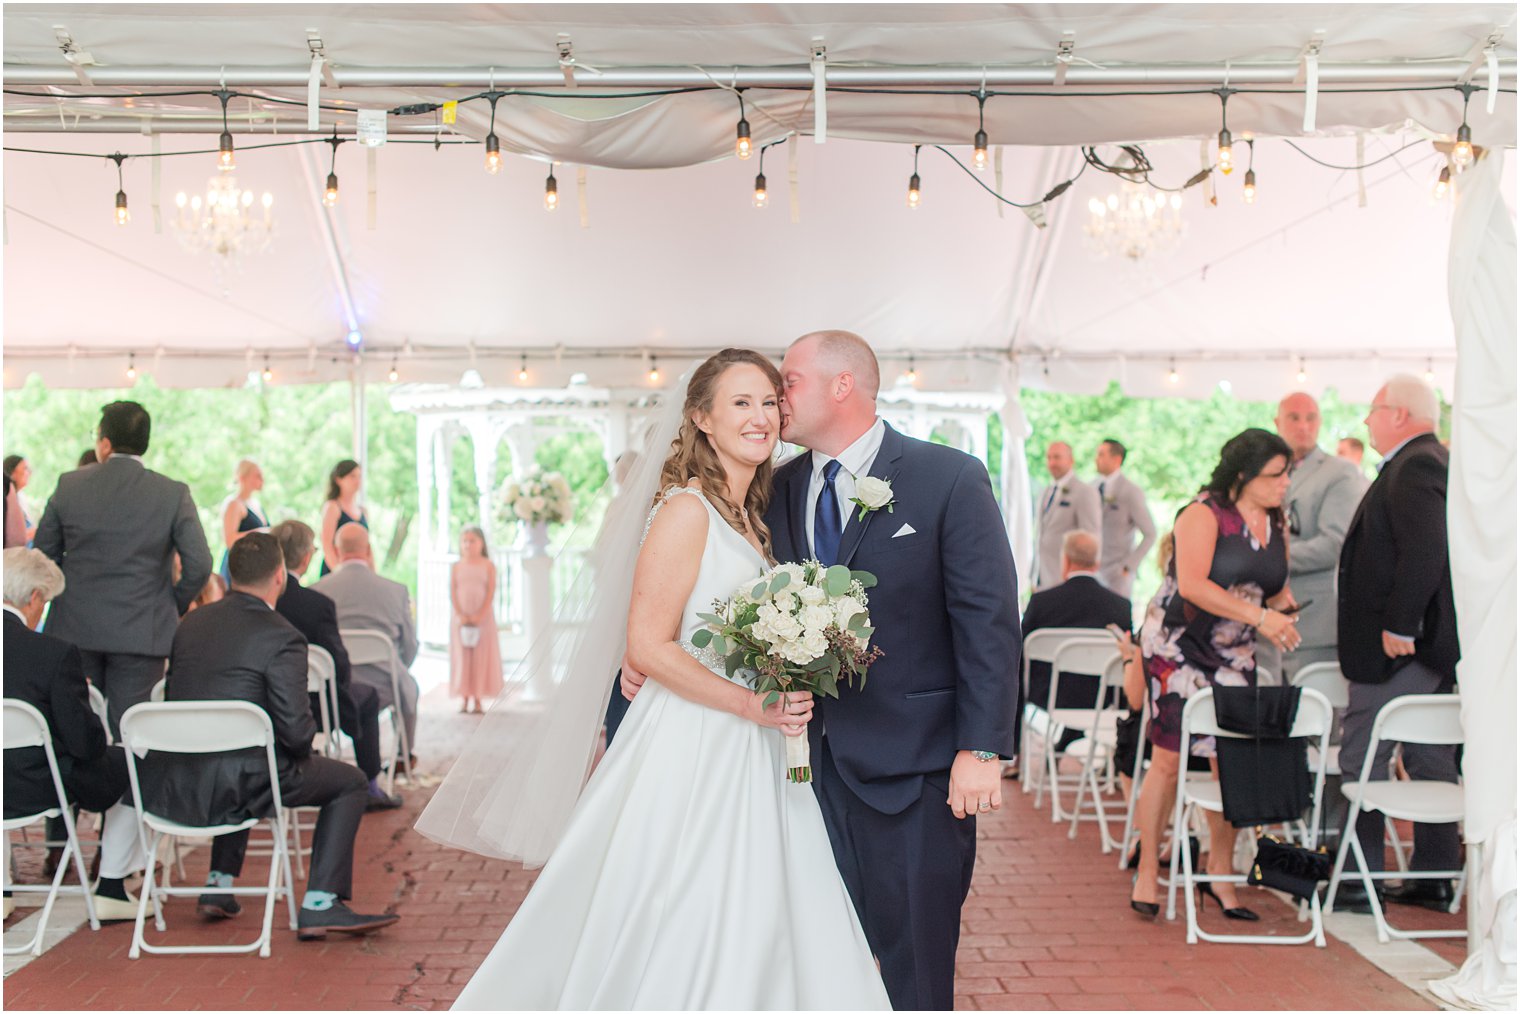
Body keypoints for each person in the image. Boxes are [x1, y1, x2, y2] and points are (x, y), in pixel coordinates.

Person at [438, 348, 891, 1009]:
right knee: (685, 902)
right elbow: (647, 646)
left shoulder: (752, 517)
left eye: (769, 401)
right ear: (703, 419)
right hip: (695, 741)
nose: (761, 416)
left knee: (759, 904)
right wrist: (750, 703)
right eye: (741, 403)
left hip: (754, 744)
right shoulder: (686, 510)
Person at [143, 533, 399, 939]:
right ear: (280, 576)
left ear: (229, 575)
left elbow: (176, 696)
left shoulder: (190, 624)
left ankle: (220, 882)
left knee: (237, 751)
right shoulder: (282, 635)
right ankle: (320, 902)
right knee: (348, 781)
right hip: (246, 783)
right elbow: (297, 735)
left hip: (178, 778)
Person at [1128, 428, 1301, 921]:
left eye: (1287, 473)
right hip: (1178, 645)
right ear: (1243, 475)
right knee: (1168, 758)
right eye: (1276, 474)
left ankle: (1220, 875)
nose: (1285, 482)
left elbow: (1273, 585)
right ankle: (1147, 870)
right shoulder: (1202, 514)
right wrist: (1263, 618)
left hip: (1235, 649)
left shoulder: (1274, 518)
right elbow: (1195, 586)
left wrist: (1285, 610)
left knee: (1234, 759)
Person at [1334, 374, 1461, 914]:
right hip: (1424, 648)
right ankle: (1433, 876)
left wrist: (1401, 625)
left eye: (1374, 409)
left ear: (1400, 415)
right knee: (1431, 757)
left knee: (1364, 757)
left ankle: (1359, 882)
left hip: (1400, 649)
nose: (1367, 420)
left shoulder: (1417, 464)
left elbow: (1426, 552)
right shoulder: (1424, 462)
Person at [33, 401, 213, 737]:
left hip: (75, 626)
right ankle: (129, 791)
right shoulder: (172, 493)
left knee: (77, 728)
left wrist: (65, 595)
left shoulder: (69, 485)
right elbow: (200, 562)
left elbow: (43, 557)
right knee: (132, 732)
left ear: (104, 442)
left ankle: (80, 792)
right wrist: (170, 602)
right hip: (143, 629)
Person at [3, 548, 148, 922]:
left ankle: (3, 890)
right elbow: (86, 746)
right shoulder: (53, 653)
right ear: (34, 596)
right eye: (45, 602)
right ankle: (112, 888)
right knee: (135, 762)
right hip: (36, 786)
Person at [271, 520, 400, 812]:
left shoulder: (266, 602)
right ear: (305, 558)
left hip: (269, 705)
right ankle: (370, 786)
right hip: (317, 708)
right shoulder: (316, 604)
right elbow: (338, 664)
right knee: (366, 697)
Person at [1262, 392, 1368, 681]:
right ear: (1277, 422)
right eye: (1294, 418)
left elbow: (1335, 544)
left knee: (1315, 718)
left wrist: (1264, 560)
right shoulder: (1261, 471)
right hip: (1260, 625)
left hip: (1313, 623)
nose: (1303, 427)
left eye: (1311, 418)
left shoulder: (1340, 473)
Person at [1011, 530, 1132, 775]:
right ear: (1096, 563)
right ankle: (1118, 759)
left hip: (1048, 694)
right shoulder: (1120, 607)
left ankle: (1017, 756)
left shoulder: (1042, 603)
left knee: (1015, 674)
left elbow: (1018, 655)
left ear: (1065, 561)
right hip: (1103, 696)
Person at [314, 524, 420, 770]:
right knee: (408, 686)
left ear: (337, 552)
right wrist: (398, 666)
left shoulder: (318, 591)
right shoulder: (395, 591)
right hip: (386, 684)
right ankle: (404, 755)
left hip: (335, 689)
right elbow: (410, 645)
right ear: (369, 550)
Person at [1093, 438, 1157, 598]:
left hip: (1117, 574)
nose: (1096, 459)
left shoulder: (1131, 491)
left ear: (1116, 459)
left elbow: (1150, 533)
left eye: (1101, 454)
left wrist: (1128, 566)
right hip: (1091, 571)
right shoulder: (1091, 487)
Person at [1035, 440, 1101, 590]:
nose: (1052, 462)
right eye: (1049, 457)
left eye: (1057, 457)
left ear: (1071, 460)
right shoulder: (1046, 491)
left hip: (1067, 578)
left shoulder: (1085, 492)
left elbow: (1091, 536)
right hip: (1042, 577)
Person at [450, 525, 502, 714]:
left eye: (472, 541)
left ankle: (478, 698)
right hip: (460, 617)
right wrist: (461, 614)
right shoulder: (456, 566)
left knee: (480, 657)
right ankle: (464, 698)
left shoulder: (488, 565)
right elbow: (453, 592)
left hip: (483, 617)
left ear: (481, 543)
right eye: (465, 541)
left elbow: (490, 591)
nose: (468, 545)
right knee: (463, 657)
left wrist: (480, 614)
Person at [219, 459, 268, 580]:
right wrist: (259, 533)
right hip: (238, 566)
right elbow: (229, 540)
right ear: (243, 477)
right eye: (257, 475)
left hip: (254, 565)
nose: (262, 479)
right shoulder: (234, 504)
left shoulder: (256, 503)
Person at [319, 459, 367, 577]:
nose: (357, 481)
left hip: (358, 573)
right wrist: (340, 573)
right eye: (352, 476)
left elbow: (367, 546)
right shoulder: (332, 507)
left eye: (359, 476)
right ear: (338, 480)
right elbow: (327, 545)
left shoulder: (363, 511)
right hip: (335, 570)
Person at [4, 455, 38, 544]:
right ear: (13, 473)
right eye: (25, 468)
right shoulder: (7, 500)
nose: (29, 473)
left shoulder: (21, 497)